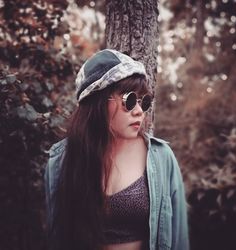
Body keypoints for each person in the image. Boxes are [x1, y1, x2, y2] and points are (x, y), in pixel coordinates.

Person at [44, 49, 189, 250]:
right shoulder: (61, 161)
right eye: (129, 100)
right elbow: (57, 238)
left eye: (143, 101)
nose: (139, 111)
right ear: (98, 104)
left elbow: (179, 239)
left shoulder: (161, 159)